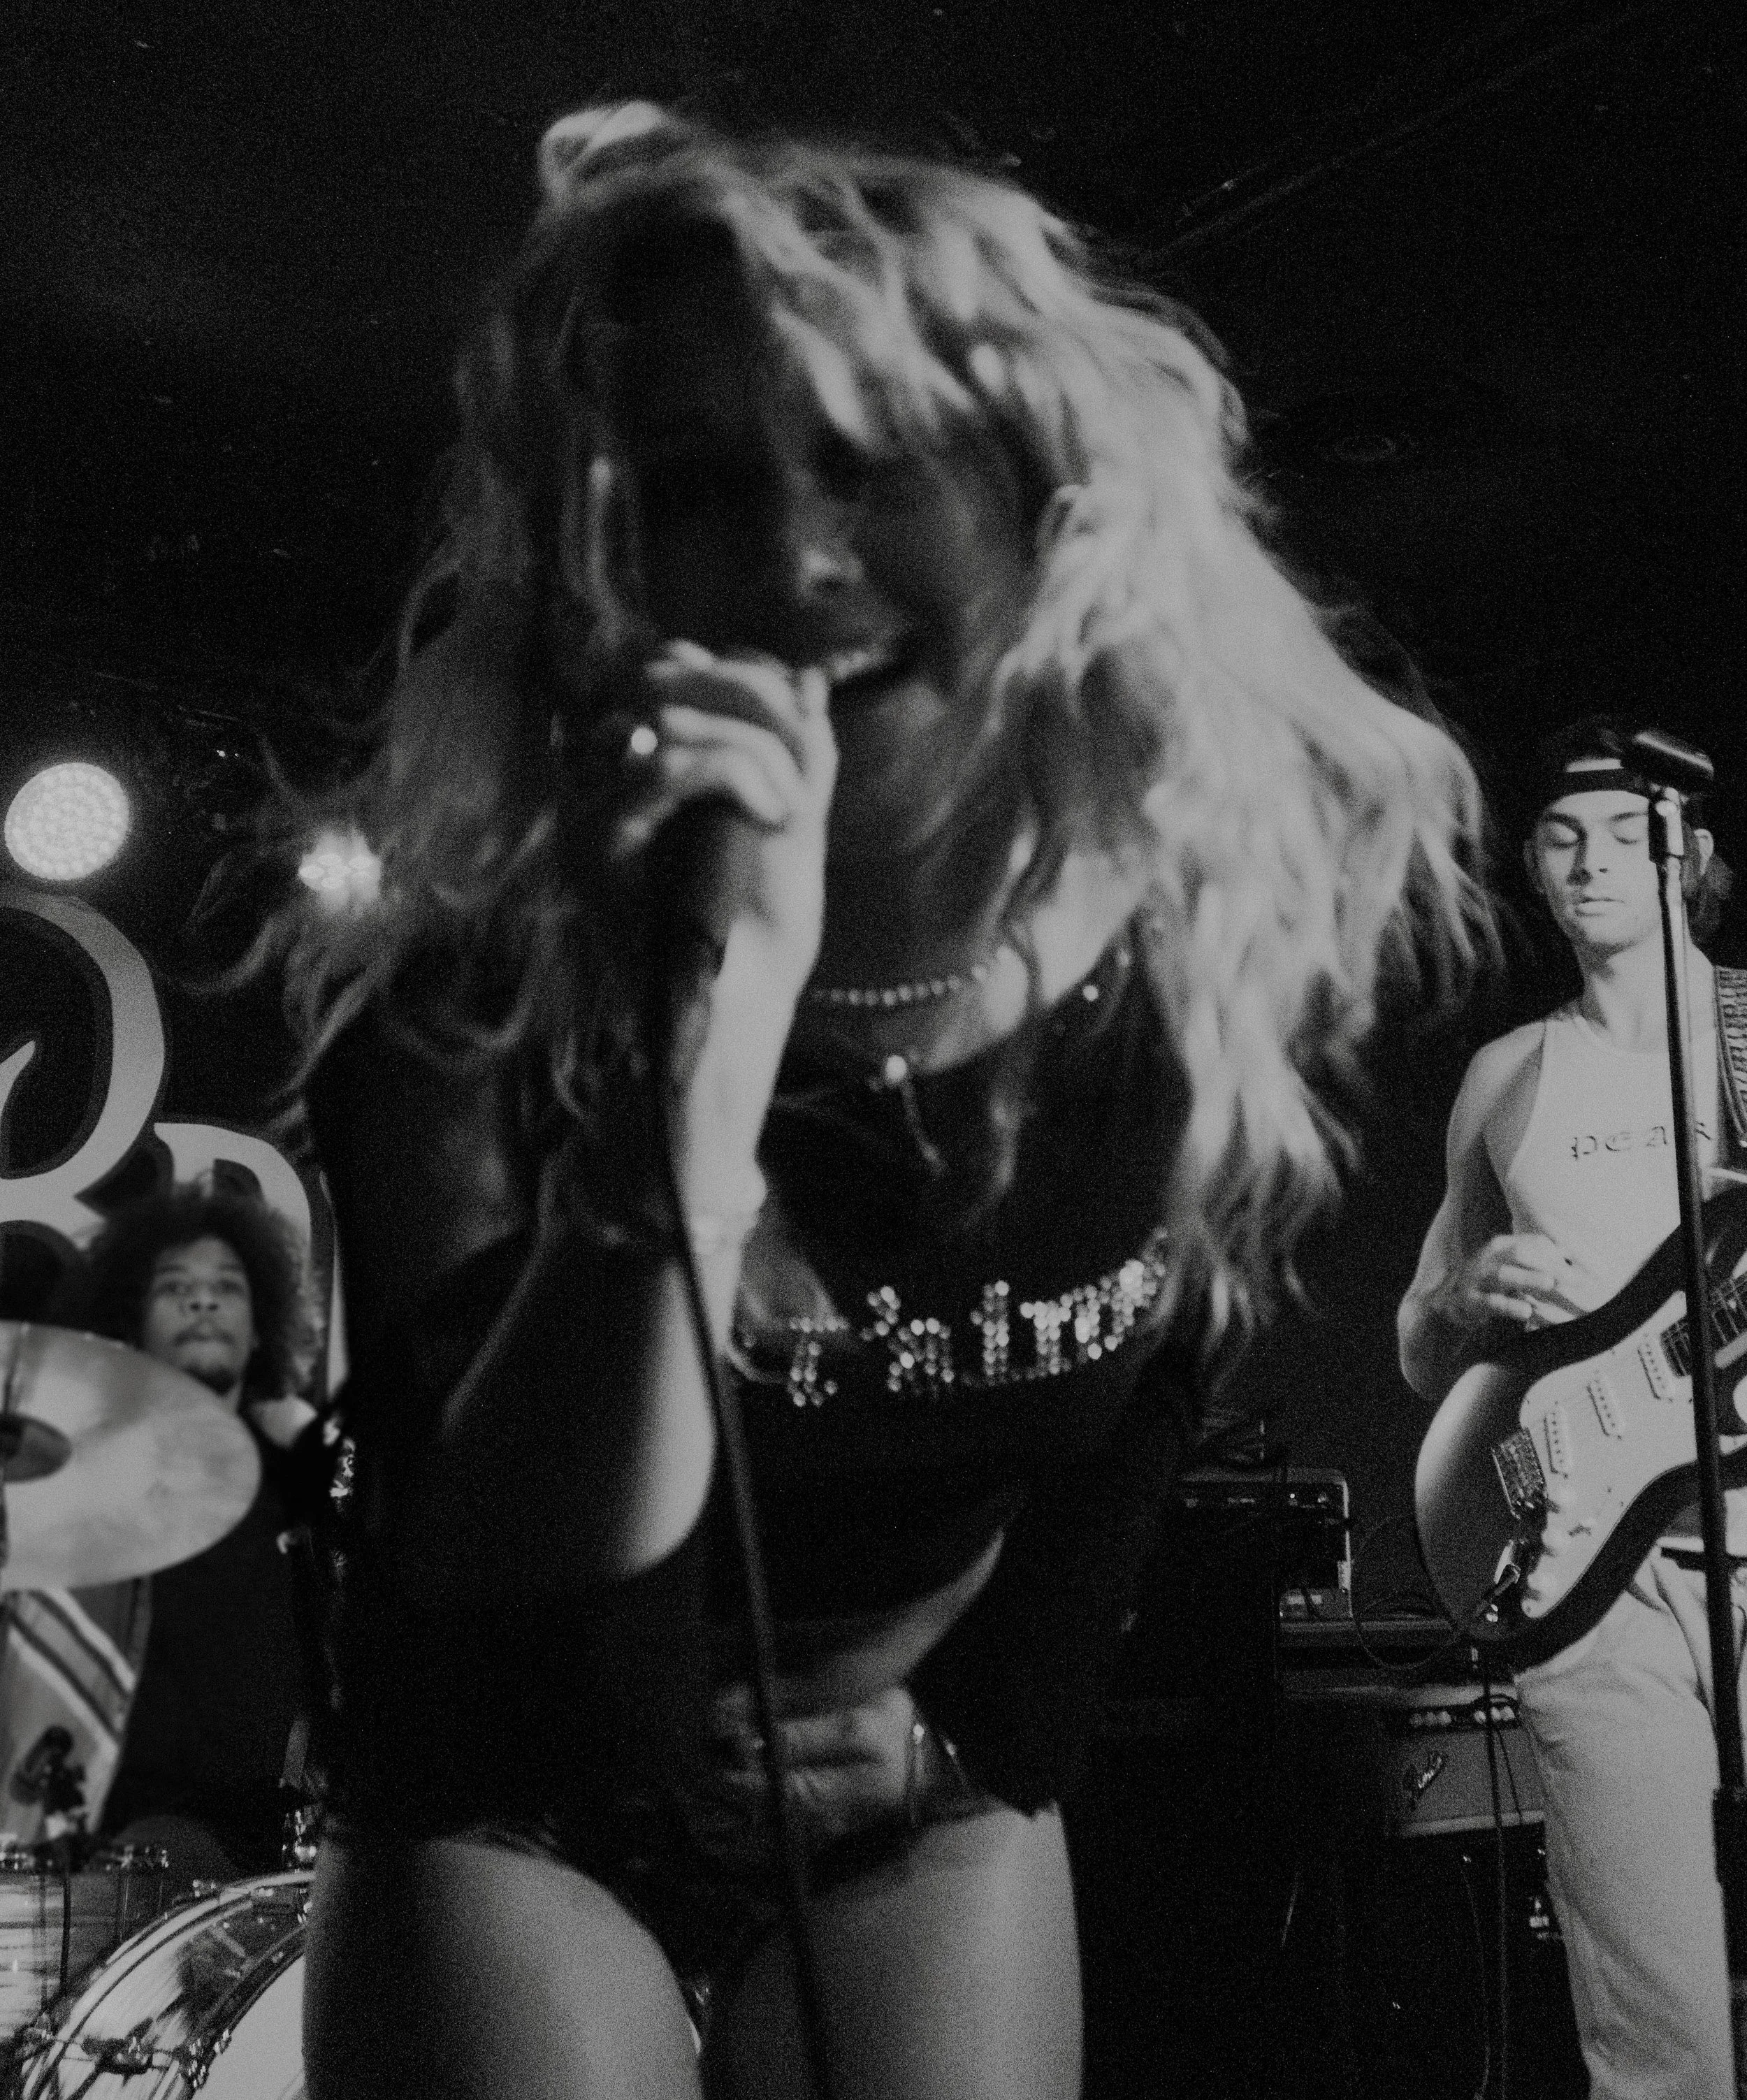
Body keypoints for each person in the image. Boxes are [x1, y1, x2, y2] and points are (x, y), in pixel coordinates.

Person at [279, 101, 1484, 2100]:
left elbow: (1155, 1377)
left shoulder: (1189, 929)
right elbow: (523, 1576)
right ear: (602, 559)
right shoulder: (472, 985)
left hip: (908, 1797)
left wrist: (968, 1739)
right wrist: (706, 1036)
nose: (793, 558)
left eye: (868, 460)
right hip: (518, 1796)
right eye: (696, 485)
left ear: (1037, 491)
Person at [1400, 720, 1747, 2100]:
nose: (1592, 860)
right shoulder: (1506, 1076)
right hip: (1588, 1580)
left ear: (1691, 855)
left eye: (1623, 833)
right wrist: (1459, 1296)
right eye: (1561, 838)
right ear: (1536, 873)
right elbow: (1421, 1348)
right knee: (1659, 2042)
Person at [0, 1181, 320, 1889]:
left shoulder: (303, 1506)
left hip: (237, 1850)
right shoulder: (71, 1489)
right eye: (175, 1287)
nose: (203, 1302)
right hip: (76, 1840)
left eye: (227, 1287)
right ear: (131, 1325)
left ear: (260, 1327)